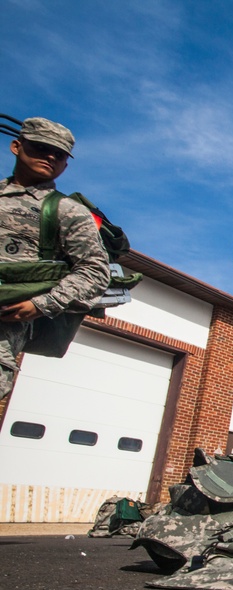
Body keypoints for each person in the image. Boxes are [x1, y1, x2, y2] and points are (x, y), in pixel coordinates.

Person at [0, 117, 110, 398]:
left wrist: (41, 304)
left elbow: (95, 272)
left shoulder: (67, 211)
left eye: (59, 155)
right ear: (17, 146)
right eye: (40, 148)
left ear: (65, 164)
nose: (50, 157)